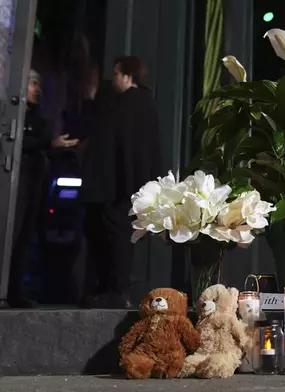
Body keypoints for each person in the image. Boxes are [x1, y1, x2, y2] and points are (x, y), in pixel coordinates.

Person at [0, 69, 79, 309]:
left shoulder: (38, 118)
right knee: (7, 235)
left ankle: (14, 291)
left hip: (33, 184)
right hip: (11, 181)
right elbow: (14, 141)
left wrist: (60, 147)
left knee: (25, 237)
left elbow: (43, 143)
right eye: (34, 84)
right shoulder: (8, 112)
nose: (38, 89)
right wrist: (48, 143)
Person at [79, 56, 161, 309]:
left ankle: (117, 291)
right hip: (121, 186)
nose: (112, 79)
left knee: (116, 238)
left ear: (128, 76)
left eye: (115, 74)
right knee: (111, 237)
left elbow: (125, 148)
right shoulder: (137, 103)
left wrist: (127, 189)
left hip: (118, 188)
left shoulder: (132, 104)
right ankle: (110, 290)